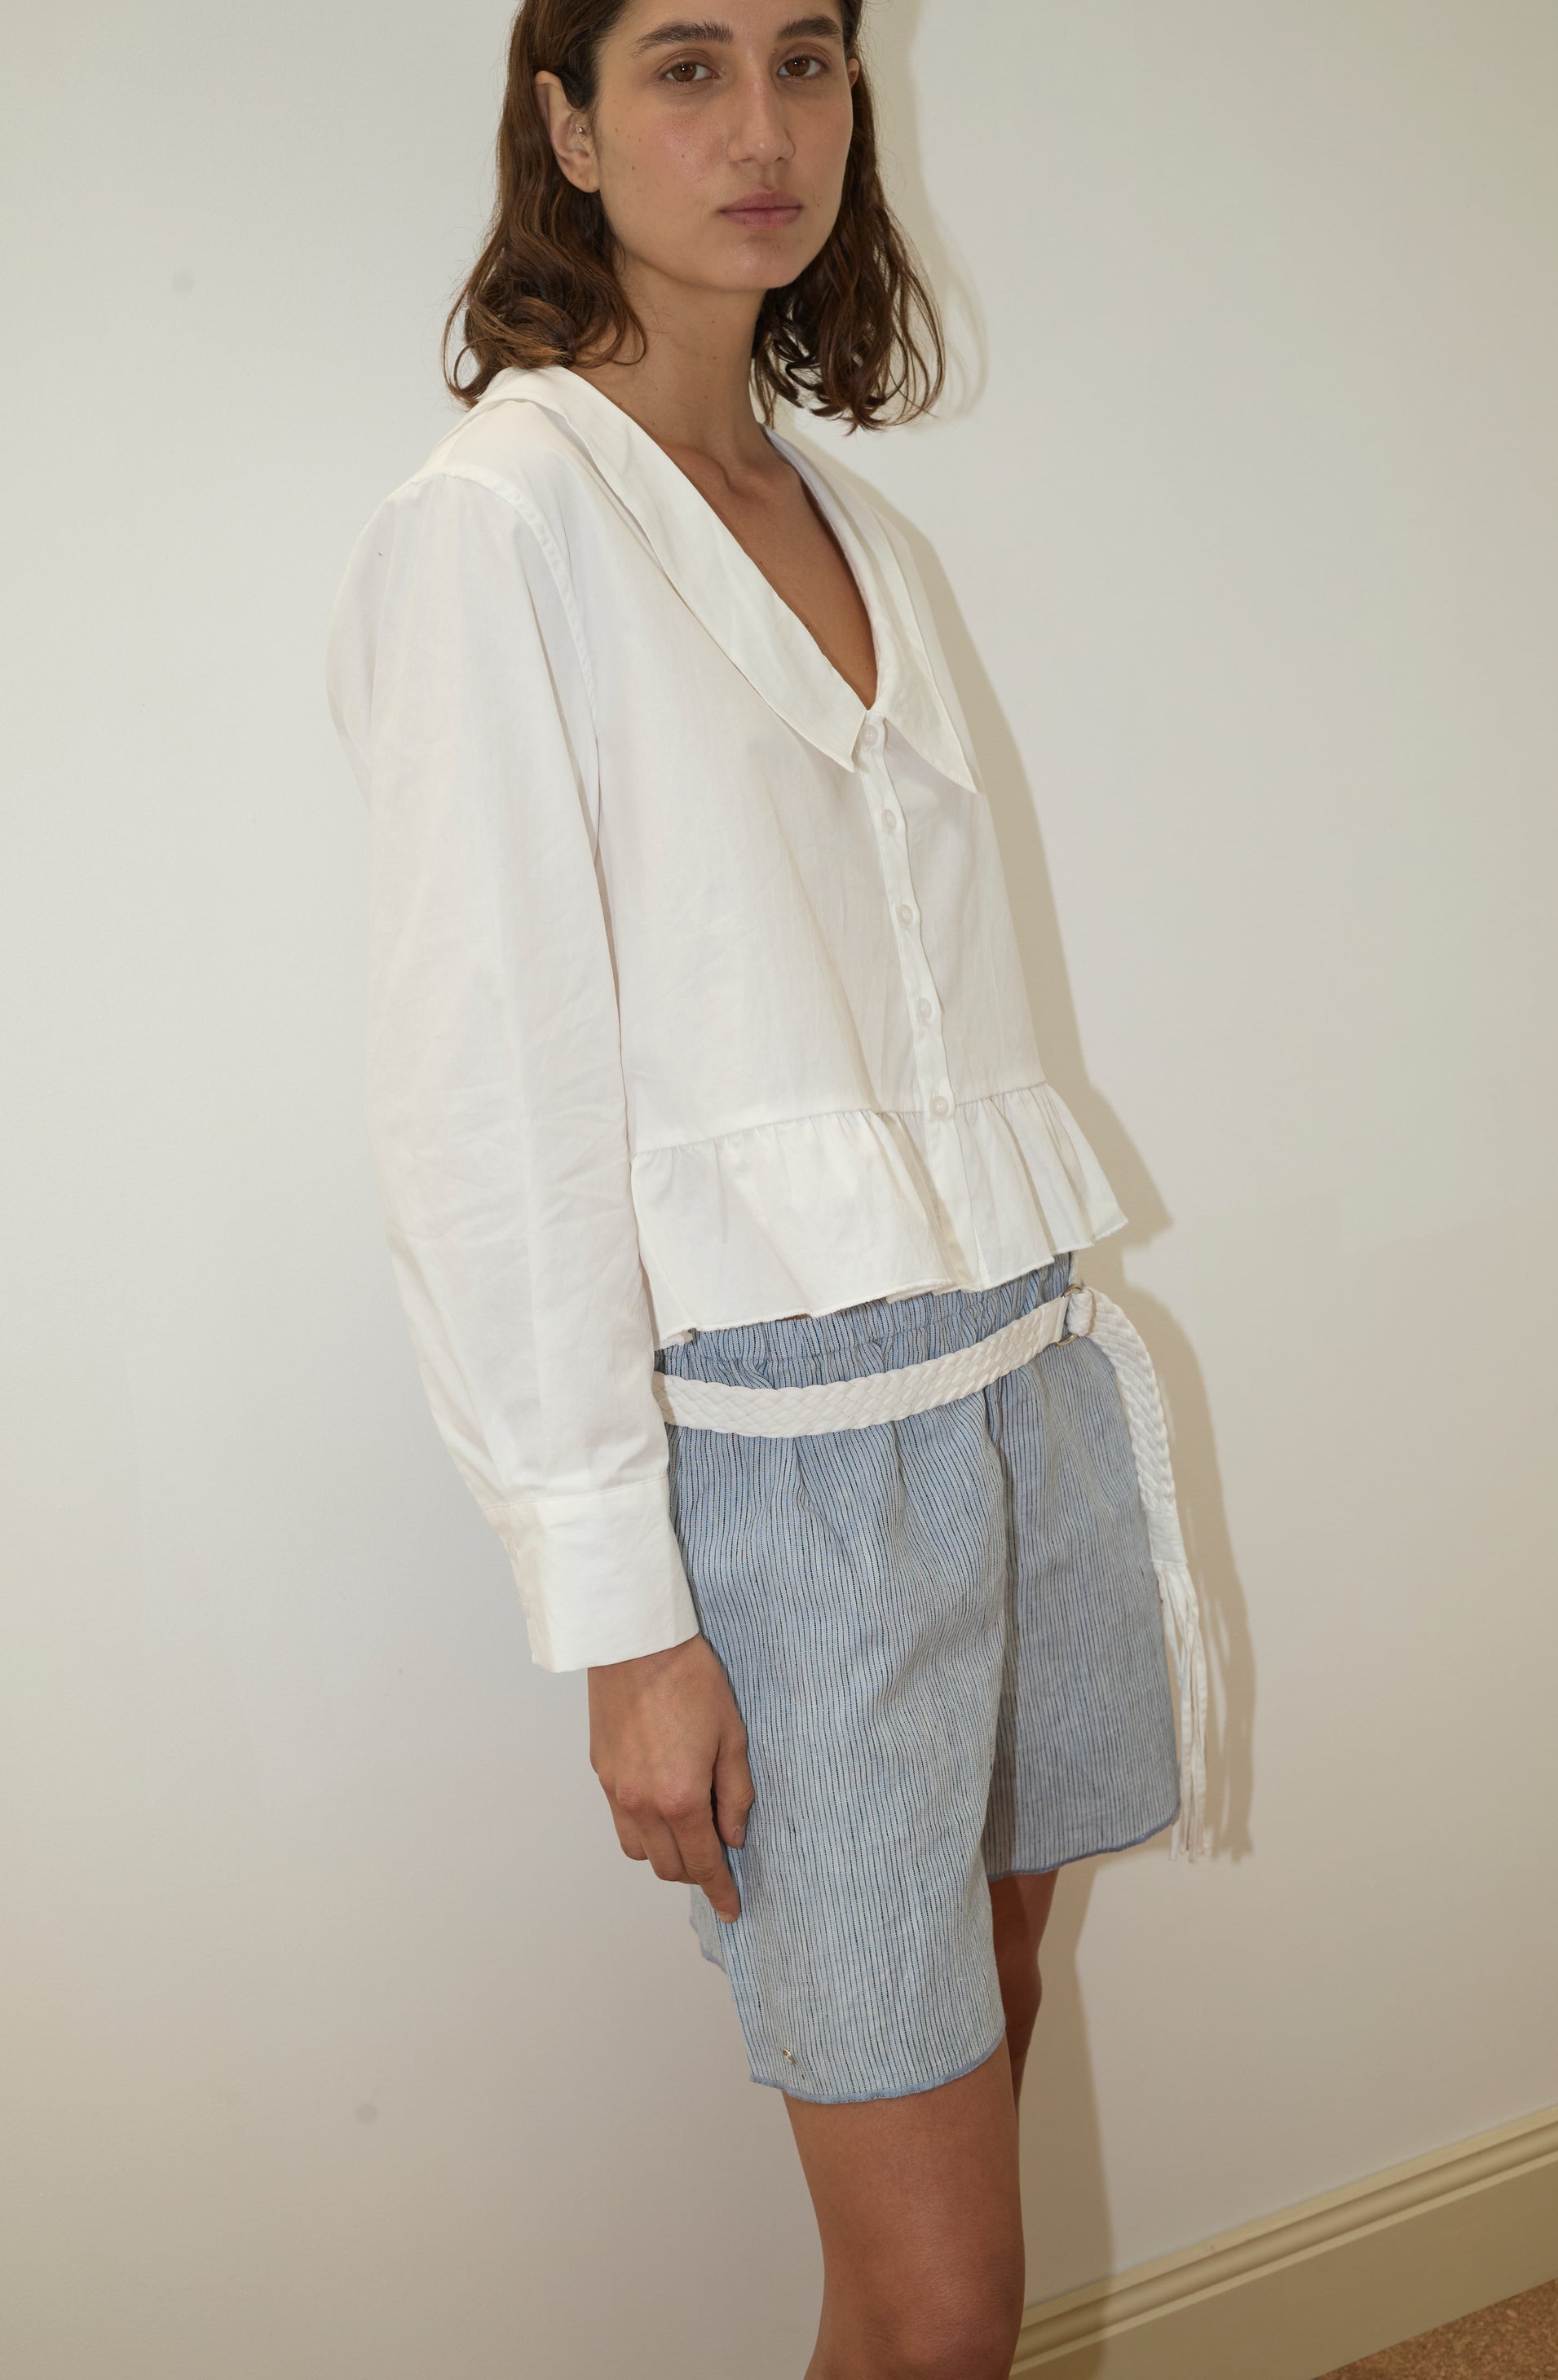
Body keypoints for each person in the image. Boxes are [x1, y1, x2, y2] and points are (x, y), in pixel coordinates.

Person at [325, 4, 1207, 2373]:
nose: (761, 129)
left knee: (993, 2029)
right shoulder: (495, 529)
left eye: (806, 62)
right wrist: (623, 1618)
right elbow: (480, 1110)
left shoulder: (851, 517)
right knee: (940, 2302)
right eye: (686, 65)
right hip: (784, 1470)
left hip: (1015, 1378)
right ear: (564, 125)